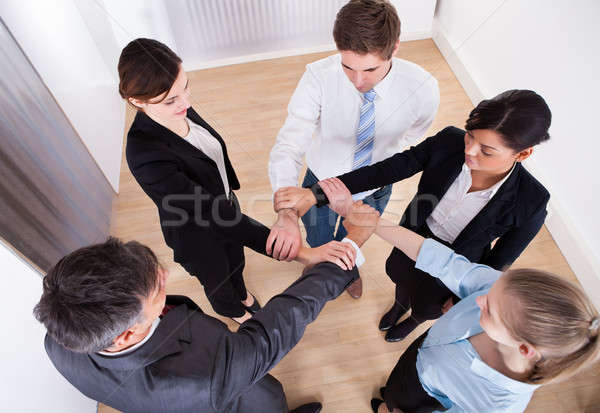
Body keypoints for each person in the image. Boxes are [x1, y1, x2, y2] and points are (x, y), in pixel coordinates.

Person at [32, 203, 379, 413]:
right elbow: (280, 323)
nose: (166, 274)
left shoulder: (57, 341)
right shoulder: (207, 378)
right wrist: (349, 248)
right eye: (157, 287)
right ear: (127, 334)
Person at [275, 89, 551, 341]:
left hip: (458, 267)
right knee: (400, 279)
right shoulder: (449, 141)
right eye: (470, 135)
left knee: (427, 307)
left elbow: (500, 260)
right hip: (411, 238)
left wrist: (463, 297)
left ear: (523, 154)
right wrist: (316, 194)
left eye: (487, 150)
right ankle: (398, 306)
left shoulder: (532, 201)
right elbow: (387, 170)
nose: (469, 150)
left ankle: (413, 322)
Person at [120, 38, 353, 324]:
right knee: (217, 278)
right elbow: (211, 213)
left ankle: (242, 295)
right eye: (172, 99)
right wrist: (304, 254)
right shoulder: (144, 154)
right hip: (197, 233)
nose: (187, 103)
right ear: (137, 101)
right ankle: (235, 312)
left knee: (236, 260)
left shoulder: (176, 108)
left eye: (186, 87)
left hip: (225, 206)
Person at [268, 0, 439, 299]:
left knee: (355, 236)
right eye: (348, 67)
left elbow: (414, 136)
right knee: (319, 235)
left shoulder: (423, 87)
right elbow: (290, 143)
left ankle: (347, 270)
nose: (358, 80)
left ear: (394, 48)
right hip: (320, 181)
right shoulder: (318, 77)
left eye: (370, 69)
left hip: (376, 187)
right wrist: (286, 212)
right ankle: (320, 265)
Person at [362, 210, 600, 413]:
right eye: (491, 288)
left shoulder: (499, 405)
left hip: (427, 401)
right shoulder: (504, 293)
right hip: (416, 359)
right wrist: (373, 222)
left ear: (525, 349)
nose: (477, 300)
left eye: (491, 310)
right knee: (393, 392)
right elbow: (442, 261)